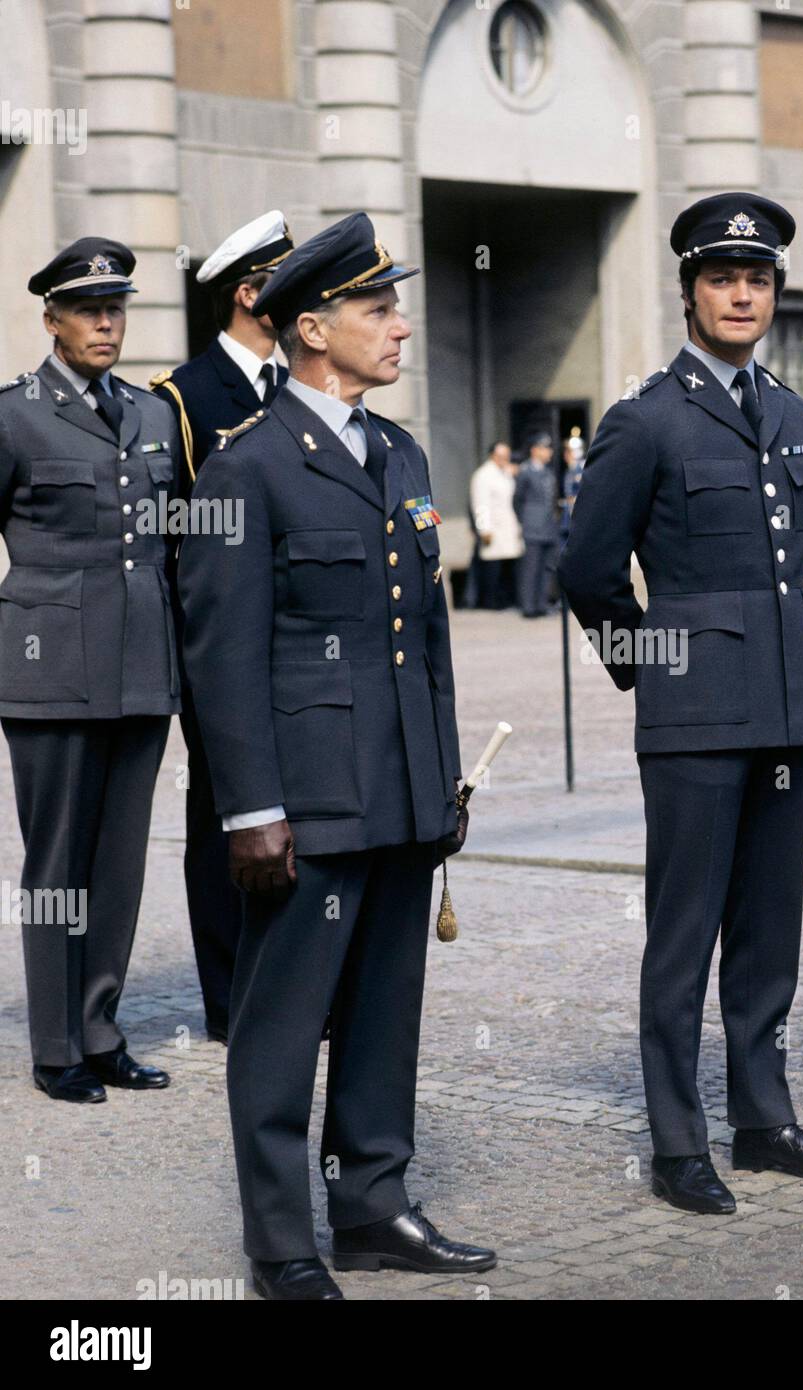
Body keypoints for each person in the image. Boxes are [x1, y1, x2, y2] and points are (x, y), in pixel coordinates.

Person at [178, 212, 496, 1300]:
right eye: (377, 309)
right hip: (307, 802)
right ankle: (279, 1244)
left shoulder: (395, 449)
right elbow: (221, 657)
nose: (400, 327)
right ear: (311, 328)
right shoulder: (247, 466)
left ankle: (371, 1205)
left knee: (382, 1009)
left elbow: (429, 634)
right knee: (278, 1027)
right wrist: (250, 808)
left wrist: (443, 773)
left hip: (400, 788)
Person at [559, 192, 803, 1215]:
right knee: (683, 931)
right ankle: (677, 1139)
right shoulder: (644, 421)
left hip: (787, 706)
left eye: (758, 278)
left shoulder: (793, 413)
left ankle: (763, 1119)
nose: (741, 293)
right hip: (693, 716)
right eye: (721, 277)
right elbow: (588, 567)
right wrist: (650, 665)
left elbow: (783, 567)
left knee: (770, 926)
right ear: (686, 291)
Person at [0, 238, 178, 1102]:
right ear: (53, 320)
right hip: (50, 669)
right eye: (87, 310)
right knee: (56, 863)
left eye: (116, 308)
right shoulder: (14, 415)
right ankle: (55, 1043)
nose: (105, 322)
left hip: (141, 663)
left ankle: (102, 1027)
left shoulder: (149, 413)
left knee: (119, 861)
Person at [150, 210, 294, 1045]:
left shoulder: (294, 389)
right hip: (222, 643)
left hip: (298, 641)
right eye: (284, 282)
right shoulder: (186, 396)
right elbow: (173, 534)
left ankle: (284, 982)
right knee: (222, 818)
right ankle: (227, 995)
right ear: (250, 293)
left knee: (291, 813)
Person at [468, 440, 522, 609]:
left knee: (508, 566)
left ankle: (505, 600)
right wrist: (483, 528)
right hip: (494, 527)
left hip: (508, 526)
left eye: (506, 456)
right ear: (492, 455)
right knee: (493, 568)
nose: (504, 459)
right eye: (500, 456)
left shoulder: (505, 473)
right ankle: (490, 602)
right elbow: (480, 504)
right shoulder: (483, 475)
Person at [513, 433, 559, 617]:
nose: (549, 452)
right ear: (535, 450)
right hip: (533, 526)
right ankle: (528, 606)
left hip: (549, 526)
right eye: (545, 448)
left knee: (546, 568)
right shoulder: (525, 472)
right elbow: (517, 500)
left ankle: (542, 603)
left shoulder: (548, 472)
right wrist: (524, 520)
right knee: (531, 568)